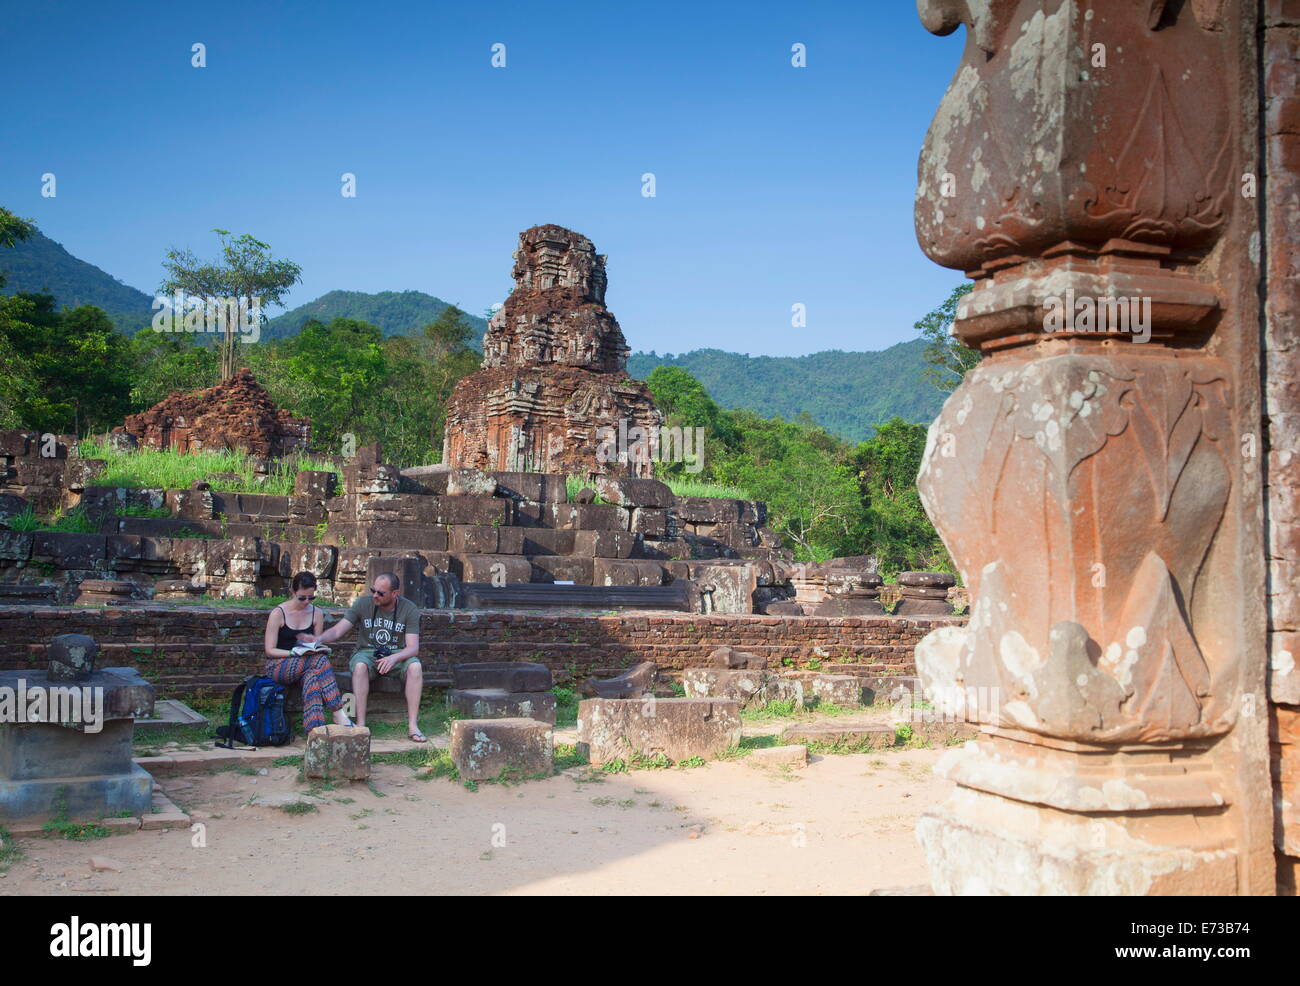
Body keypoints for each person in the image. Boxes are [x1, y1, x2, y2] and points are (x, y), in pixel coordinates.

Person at [305, 571, 425, 742]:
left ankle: (413, 725)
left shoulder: (409, 609)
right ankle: (361, 724)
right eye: (373, 590)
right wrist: (318, 639)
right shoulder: (363, 603)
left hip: (396, 654)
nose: (375, 595)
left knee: (415, 667)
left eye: (380, 593)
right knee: (360, 667)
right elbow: (339, 630)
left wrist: (393, 658)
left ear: (395, 593)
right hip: (367, 653)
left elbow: (413, 648)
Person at [263, 572, 352, 733]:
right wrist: (294, 653)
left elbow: (316, 646)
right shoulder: (278, 613)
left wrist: (314, 644)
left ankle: (314, 729)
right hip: (279, 665)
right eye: (302, 598)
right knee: (319, 661)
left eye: (311, 598)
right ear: (293, 592)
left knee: (312, 677)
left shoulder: (316, 613)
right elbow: (269, 651)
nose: (306, 602)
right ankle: (338, 711)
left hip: (307, 665)